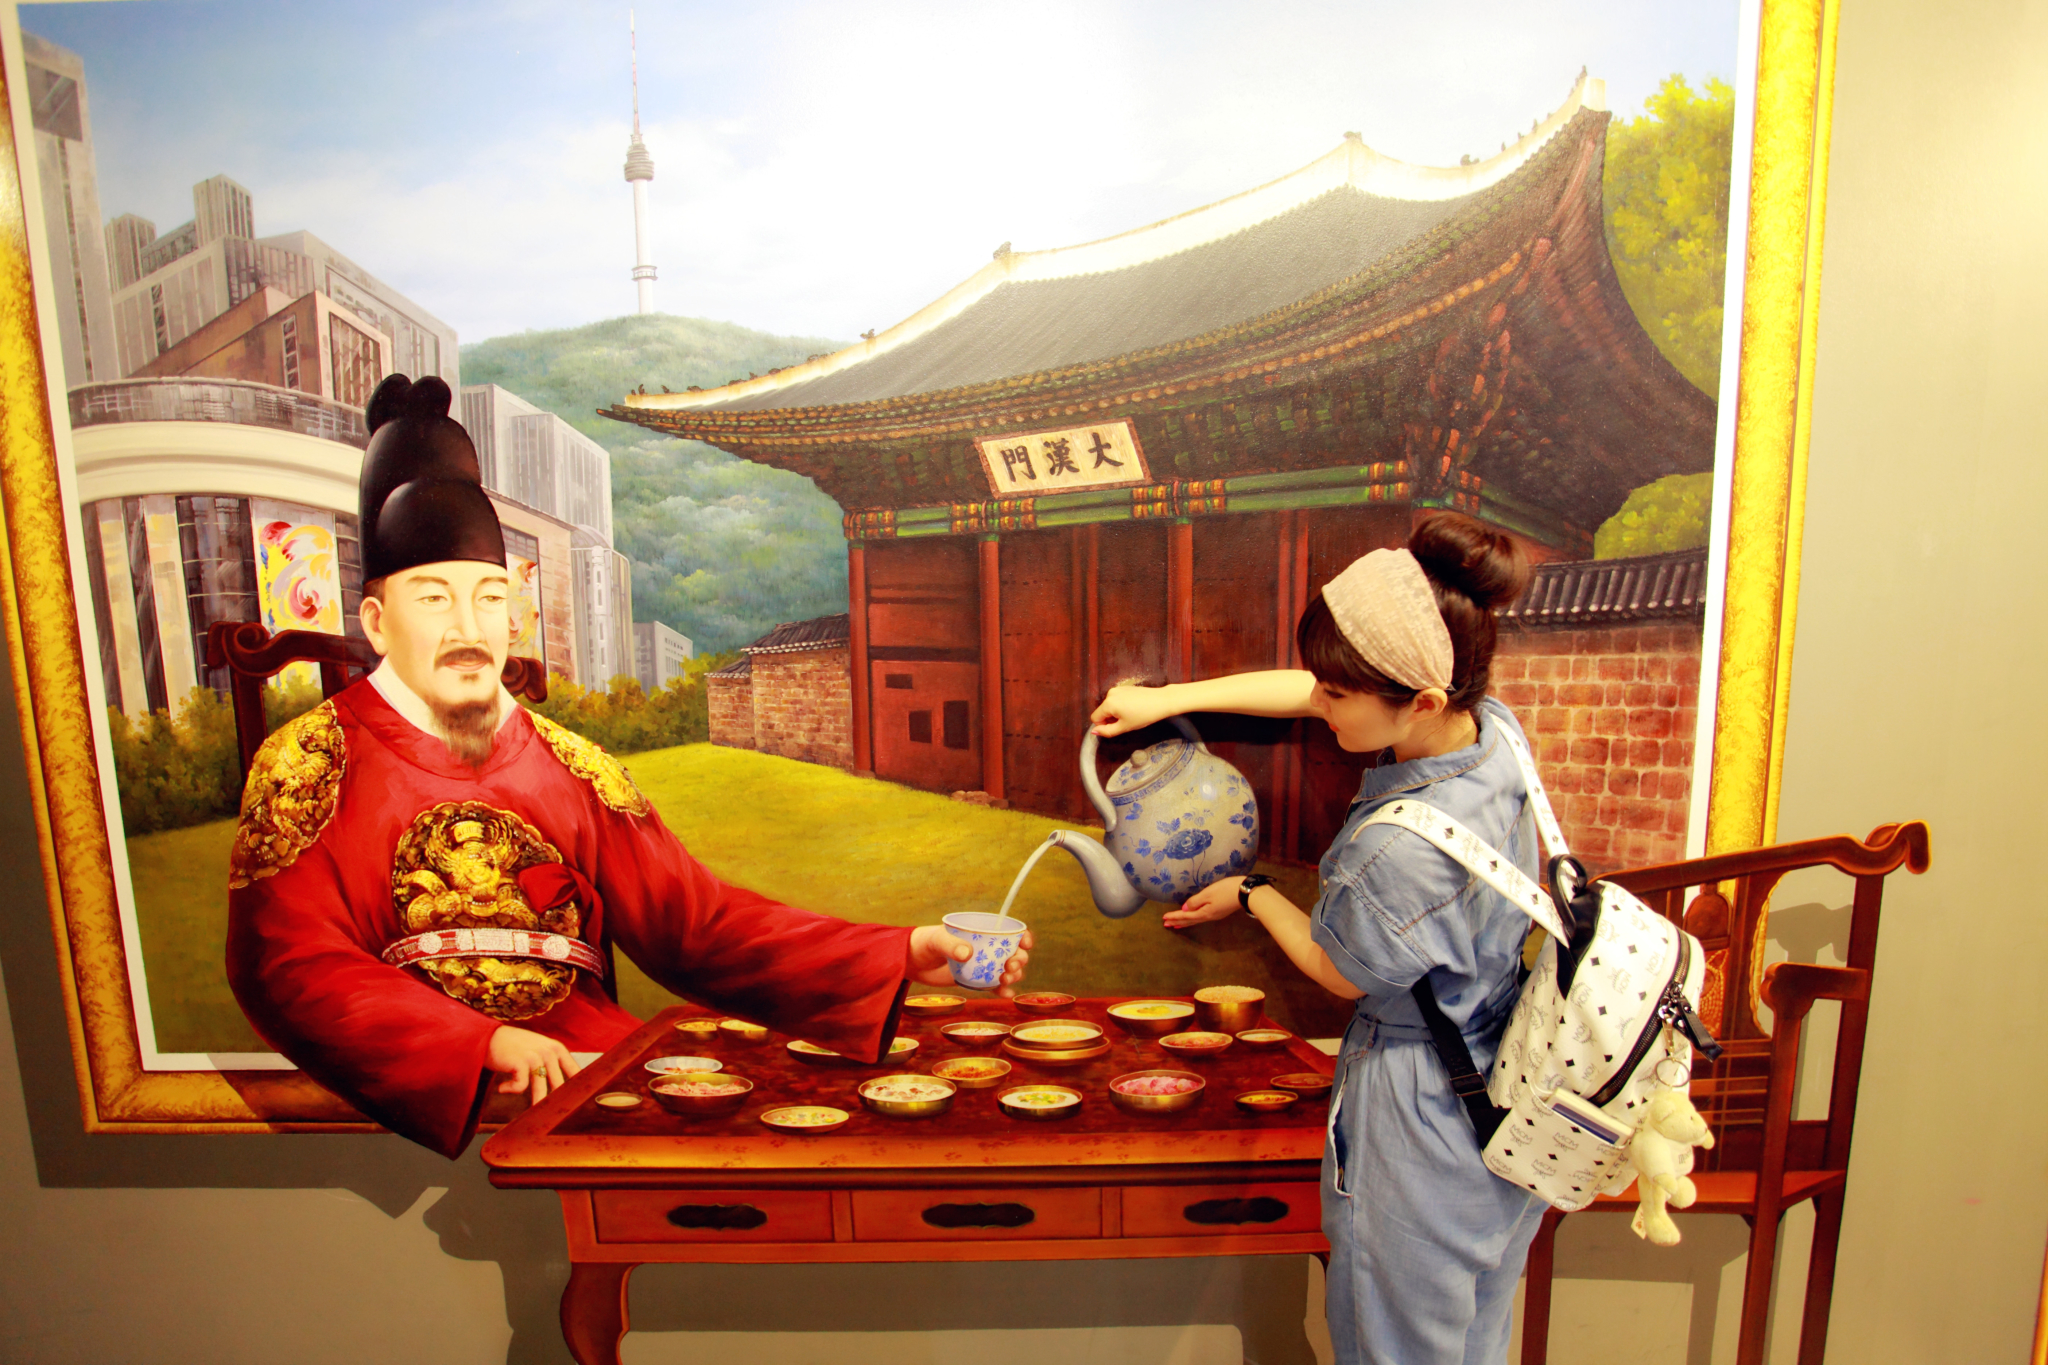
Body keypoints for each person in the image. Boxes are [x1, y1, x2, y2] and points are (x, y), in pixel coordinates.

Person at [226, 374, 1028, 1158]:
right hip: (448, 1087)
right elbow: (288, 962)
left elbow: (698, 924)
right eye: (434, 598)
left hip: (603, 1070)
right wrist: (478, 1042)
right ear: (376, 619)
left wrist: (900, 951)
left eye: (488, 598)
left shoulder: (575, 766)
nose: (468, 628)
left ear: (513, 613)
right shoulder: (309, 760)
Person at [1089, 512, 1540, 1365]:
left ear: (1421, 698)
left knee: (1392, 1346)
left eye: (1336, 696)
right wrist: (1171, 700)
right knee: (1469, 1342)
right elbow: (1314, 687)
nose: (1318, 704)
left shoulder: (1397, 849)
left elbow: (1338, 970)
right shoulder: (1493, 736)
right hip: (1503, 1083)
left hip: (1421, 1114)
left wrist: (1255, 892)